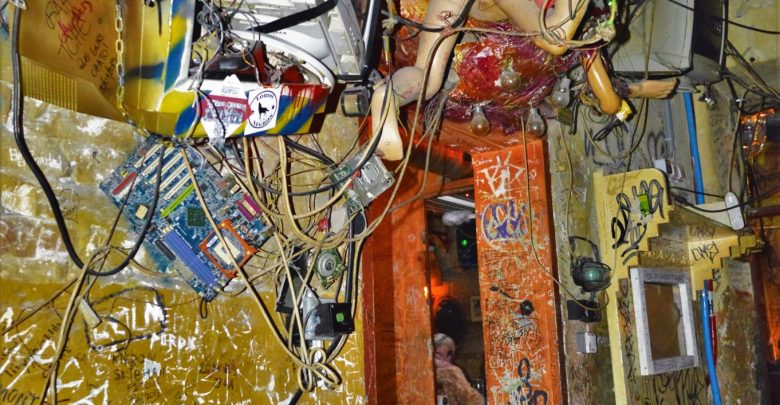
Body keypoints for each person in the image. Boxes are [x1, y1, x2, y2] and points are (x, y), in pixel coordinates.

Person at [370, 0, 678, 160]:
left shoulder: (594, 19)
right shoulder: (591, 17)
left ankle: (389, 96)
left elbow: (607, 97)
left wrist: (635, 92)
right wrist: (637, 91)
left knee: (429, 79)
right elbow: (557, 42)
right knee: (555, 40)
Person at [434, 333, 485, 405]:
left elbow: (475, 401)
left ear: (449, 357)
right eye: (433, 354)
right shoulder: (423, 374)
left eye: (438, 354)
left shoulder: (454, 372)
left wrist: (450, 369)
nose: (435, 360)